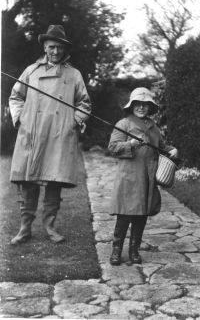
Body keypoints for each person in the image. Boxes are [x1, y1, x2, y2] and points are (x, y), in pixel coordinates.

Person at [9, 25, 91, 245]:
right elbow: (16, 96)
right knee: (28, 180)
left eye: (60, 48)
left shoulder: (74, 74)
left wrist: (73, 121)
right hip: (32, 132)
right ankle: (25, 228)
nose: (56, 52)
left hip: (59, 134)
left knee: (54, 180)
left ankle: (50, 226)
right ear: (45, 47)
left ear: (65, 50)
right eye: (52, 47)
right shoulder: (31, 71)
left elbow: (84, 103)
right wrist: (20, 118)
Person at [108, 87, 178, 265]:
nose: (141, 108)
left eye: (145, 105)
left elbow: (162, 147)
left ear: (150, 108)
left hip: (148, 178)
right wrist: (130, 144)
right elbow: (113, 147)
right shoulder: (123, 124)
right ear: (131, 106)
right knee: (124, 215)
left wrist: (172, 150)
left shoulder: (153, 128)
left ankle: (134, 250)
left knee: (141, 216)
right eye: (137, 104)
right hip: (129, 178)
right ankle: (116, 251)